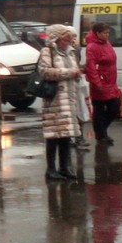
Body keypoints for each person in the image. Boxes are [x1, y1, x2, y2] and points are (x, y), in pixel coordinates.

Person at [38, 24, 85, 182]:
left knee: (65, 135)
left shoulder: (70, 52)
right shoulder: (47, 52)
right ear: (56, 38)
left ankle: (64, 167)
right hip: (54, 100)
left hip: (69, 99)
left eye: (70, 39)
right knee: (53, 136)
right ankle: (50, 169)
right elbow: (45, 71)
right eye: (66, 39)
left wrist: (77, 75)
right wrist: (70, 73)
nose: (69, 42)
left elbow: (74, 69)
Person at [83, 22, 122, 147]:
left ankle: (102, 131)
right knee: (99, 109)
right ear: (98, 33)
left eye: (108, 33)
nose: (107, 35)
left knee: (114, 106)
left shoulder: (107, 43)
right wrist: (97, 83)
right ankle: (101, 134)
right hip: (100, 82)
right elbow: (91, 66)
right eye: (105, 33)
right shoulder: (92, 47)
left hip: (110, 81)